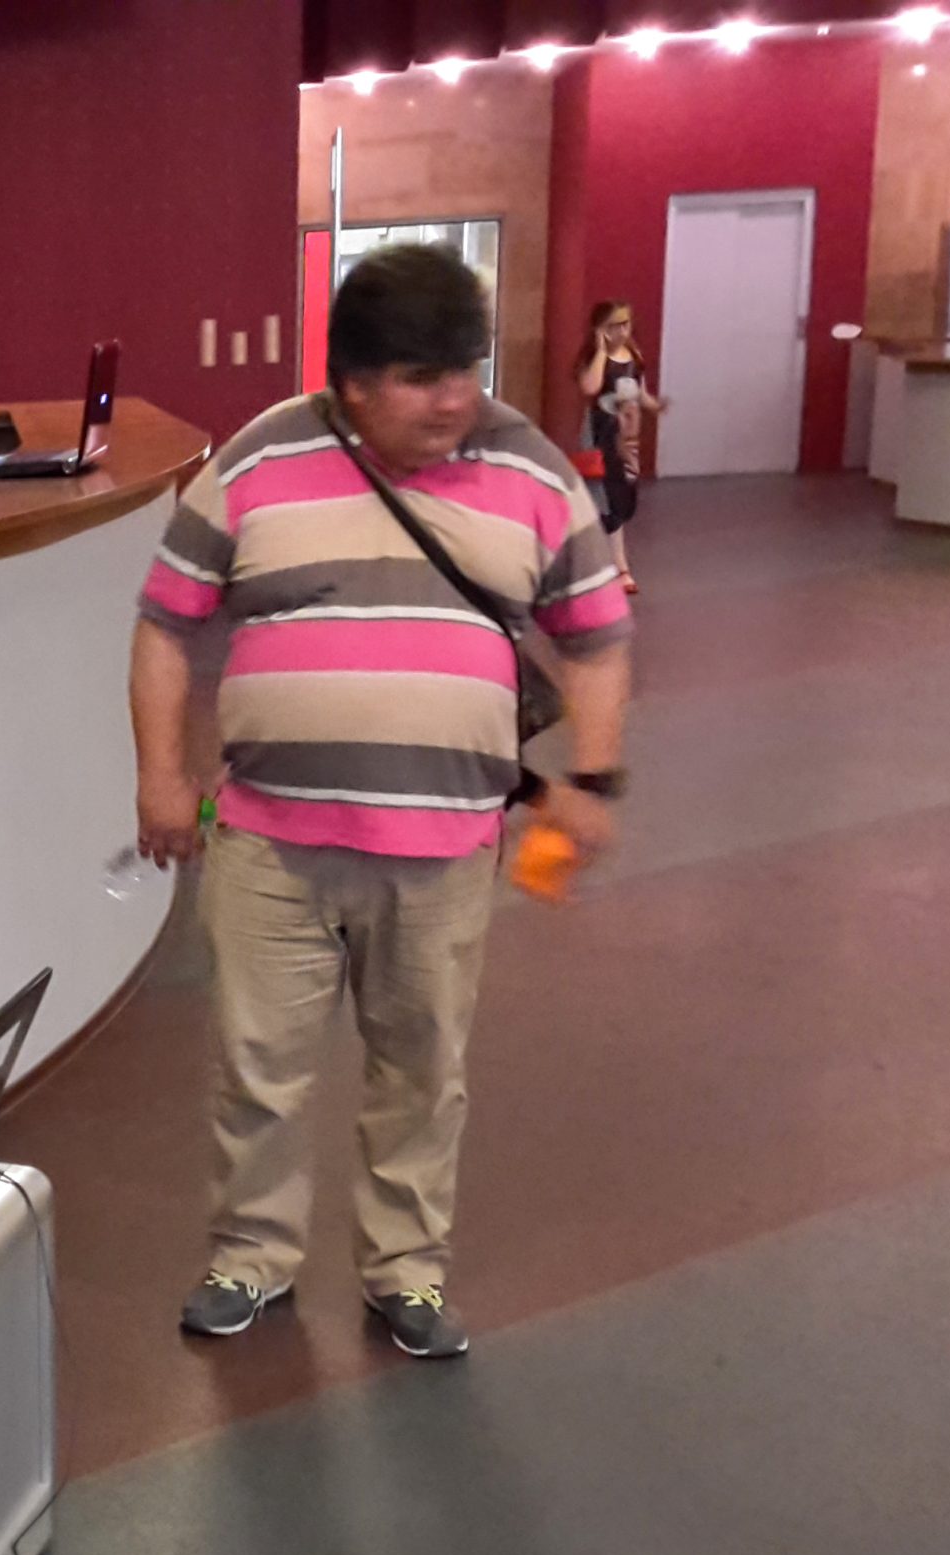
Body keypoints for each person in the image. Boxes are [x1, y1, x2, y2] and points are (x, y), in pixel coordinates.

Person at [132, 243, 635, 1359]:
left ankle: (406, 1271)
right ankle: (250, 1256)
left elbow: (598, 636)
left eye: (464, 368)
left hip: (443, 846)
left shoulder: (530, 466)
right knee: (257, 1067)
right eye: (419, 376)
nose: (453, 398)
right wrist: (159, 775)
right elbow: (167, 624)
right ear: (352, 382)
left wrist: (594, 778)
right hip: (270, 841)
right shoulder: (260, 458)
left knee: (422, 1072)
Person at [576, 299, 663, 594]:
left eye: (625, 324)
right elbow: (589, 387)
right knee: (604, 498)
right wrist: (601, 351)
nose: (622, 332)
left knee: (623, 497)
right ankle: (618, 566)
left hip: (627, 435)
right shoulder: (594, 358)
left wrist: (655, 405)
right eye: (614, 326)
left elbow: (641, 392)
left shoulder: (633, 357)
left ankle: (608, 563)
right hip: (601, 434)